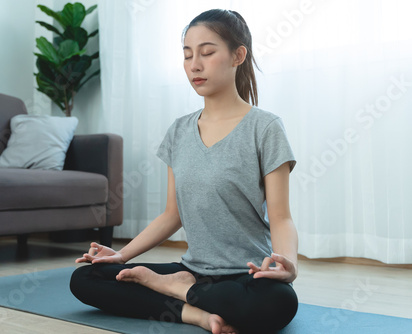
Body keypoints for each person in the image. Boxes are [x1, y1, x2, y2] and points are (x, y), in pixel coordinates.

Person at [70, 8, 299, 334]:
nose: (195, 64)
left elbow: (281, 217)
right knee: (85, 277)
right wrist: (120, 256)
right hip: (191, 269)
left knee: (279, 302)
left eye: (207, 52)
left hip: (246, 274)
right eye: (187, 54)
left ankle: (174, 290)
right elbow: (171, 215)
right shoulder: (179, 131)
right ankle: (196, 313)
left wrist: (286, 265)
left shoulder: (265, 128)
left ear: (238, 56)